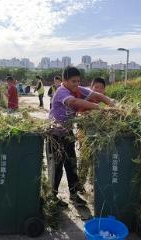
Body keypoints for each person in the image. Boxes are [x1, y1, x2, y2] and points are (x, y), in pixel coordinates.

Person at [47, 67, 114, 207]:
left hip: (67, 134)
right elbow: (75, 102)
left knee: (71, 165)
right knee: (56, 167)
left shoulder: (76, 89)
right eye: (73, 81)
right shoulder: (62, 92)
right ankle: (52, 197)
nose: (76, 84)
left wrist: (111, 104)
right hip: (54, 134)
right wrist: (99, 107)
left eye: (78, 81)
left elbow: (97, 95)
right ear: (64, 81)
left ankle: (73, 195)